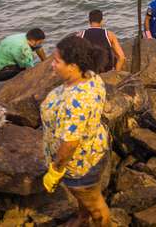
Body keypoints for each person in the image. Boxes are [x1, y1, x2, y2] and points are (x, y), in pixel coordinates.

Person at [40, 35, 110, 227]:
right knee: (85, 197)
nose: (52, 64)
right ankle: (83, 219)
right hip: (95, 146)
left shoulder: (74, 102)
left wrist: (55, 170)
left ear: (72, 66)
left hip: (79, 164)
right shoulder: (91, 76)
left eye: (56, 61)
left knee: (96, 206)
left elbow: (70, 144)